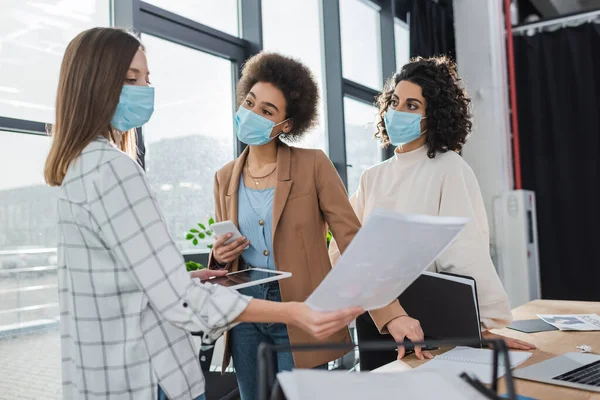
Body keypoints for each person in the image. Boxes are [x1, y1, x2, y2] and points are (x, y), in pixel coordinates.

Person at [45, 28, 362, 400]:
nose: (145, 89)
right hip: (166, 358)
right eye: (133, 79)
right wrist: (285, 306)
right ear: (95, 82)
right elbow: (173, 296)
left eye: (147, 79)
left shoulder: (79, 168)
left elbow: (129, 280)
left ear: (287, 124)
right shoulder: (129, 170)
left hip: (116, 368)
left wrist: (379, 308)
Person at [208, 52, 401, 400]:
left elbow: (352, 241)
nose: (252, 114)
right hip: (246, 312)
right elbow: (226, 259)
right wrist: (219, 257)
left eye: (266, 111)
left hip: (300, 310)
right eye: (250, 103)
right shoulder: (224, 178)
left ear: (286, 125)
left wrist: (391, 316)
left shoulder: (313, 166)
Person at [330, 56, 536, 356]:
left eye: (412, 106)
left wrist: (479, 328)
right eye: (395, 102)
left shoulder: (448, 167)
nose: (398, 112)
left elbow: (464, 252)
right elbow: (341, 248)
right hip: (377, 317)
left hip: (430, 322)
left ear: (434, 116)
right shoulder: (372, 177)